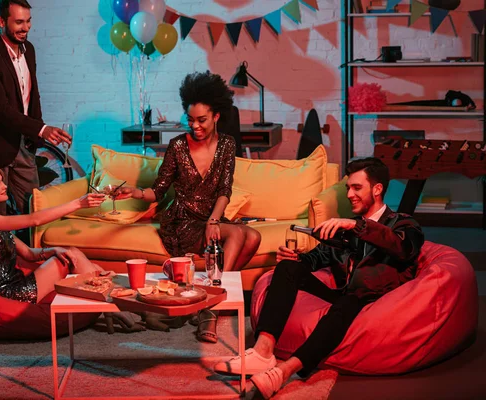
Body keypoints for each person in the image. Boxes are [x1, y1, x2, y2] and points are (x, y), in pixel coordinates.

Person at [214, 157, 425, 399]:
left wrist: (357, 227)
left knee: (350, 301)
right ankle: (263, 350)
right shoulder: (349, 229)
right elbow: (316, 259)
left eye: (357, 188)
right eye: (348, 188)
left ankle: (284, 371)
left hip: (372, 301)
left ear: (377, 189)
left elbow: (402, 248)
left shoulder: (404, 223)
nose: (349, 195)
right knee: (287, 268)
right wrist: (296, 258)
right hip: (343, 295)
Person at [124, 71, 262, 342]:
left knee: (254, 236)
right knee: (236, 234)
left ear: (216, 116)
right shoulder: (177, 147)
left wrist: (213, 220)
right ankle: (212, 309)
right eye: (191, 120)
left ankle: (202, 304)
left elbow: (225, 190)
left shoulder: (227, 145)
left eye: (202, 120)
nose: (195, 126)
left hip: (210, 219)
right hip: (182, 221)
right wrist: (135, 192)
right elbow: (158, 190)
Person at [0, 0, 71, 215]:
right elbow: (1, 109)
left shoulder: (29, 50)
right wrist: (42, 128)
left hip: (24, 146)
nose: (25, 28)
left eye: (28, 21)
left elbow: (32, 97)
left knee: (33, 211)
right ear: (1, 21)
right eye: (18, 22)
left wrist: (37, 134)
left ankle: (31, 250)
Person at [0, 164, 107, 304]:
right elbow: (35, 220)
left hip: (18, 283)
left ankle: (109, 303)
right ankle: (111, 304)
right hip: (9, 292)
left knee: (85, 263)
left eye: (2, 182)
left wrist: (54, 249)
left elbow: (29, 253)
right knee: (71, 257)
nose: (5, 186)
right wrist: (78, 204)